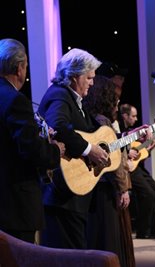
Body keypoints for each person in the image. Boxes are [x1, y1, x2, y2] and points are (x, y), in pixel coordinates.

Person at [38, 48, 109, 249]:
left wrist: (131, 136)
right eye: (89, 77)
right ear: (75, 76)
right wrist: (88, 150)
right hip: (61, 195)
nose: (92, 82)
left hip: (73, 196)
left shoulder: (75, 100)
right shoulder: (60, 95)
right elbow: (57, 125)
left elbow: (97, 136)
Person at [0, 38, 65, 243]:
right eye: (26, 66)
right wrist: (55, 150)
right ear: (20, 68)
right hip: (15, 204)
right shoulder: (16, 100)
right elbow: (31, 149)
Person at [83, 75, 135, 267]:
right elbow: (112, 160)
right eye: (114, 97)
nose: (117, 101)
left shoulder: (89, 117)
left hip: (94, 187)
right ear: (105, 97)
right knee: (110, 242)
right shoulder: (103, 122)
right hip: (106, 189)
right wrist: (122, 189)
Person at [120, 103, 155, 239]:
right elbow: (117, 146)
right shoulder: (120, 129)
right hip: (127, 168)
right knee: (148, 194)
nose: (136, 119)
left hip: (136, 167)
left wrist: (149, 148)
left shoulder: (132, 132)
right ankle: (142, 231)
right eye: (133, 116)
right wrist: (128, 152)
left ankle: (153, 229)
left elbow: (140, 153)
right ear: (125, 116)